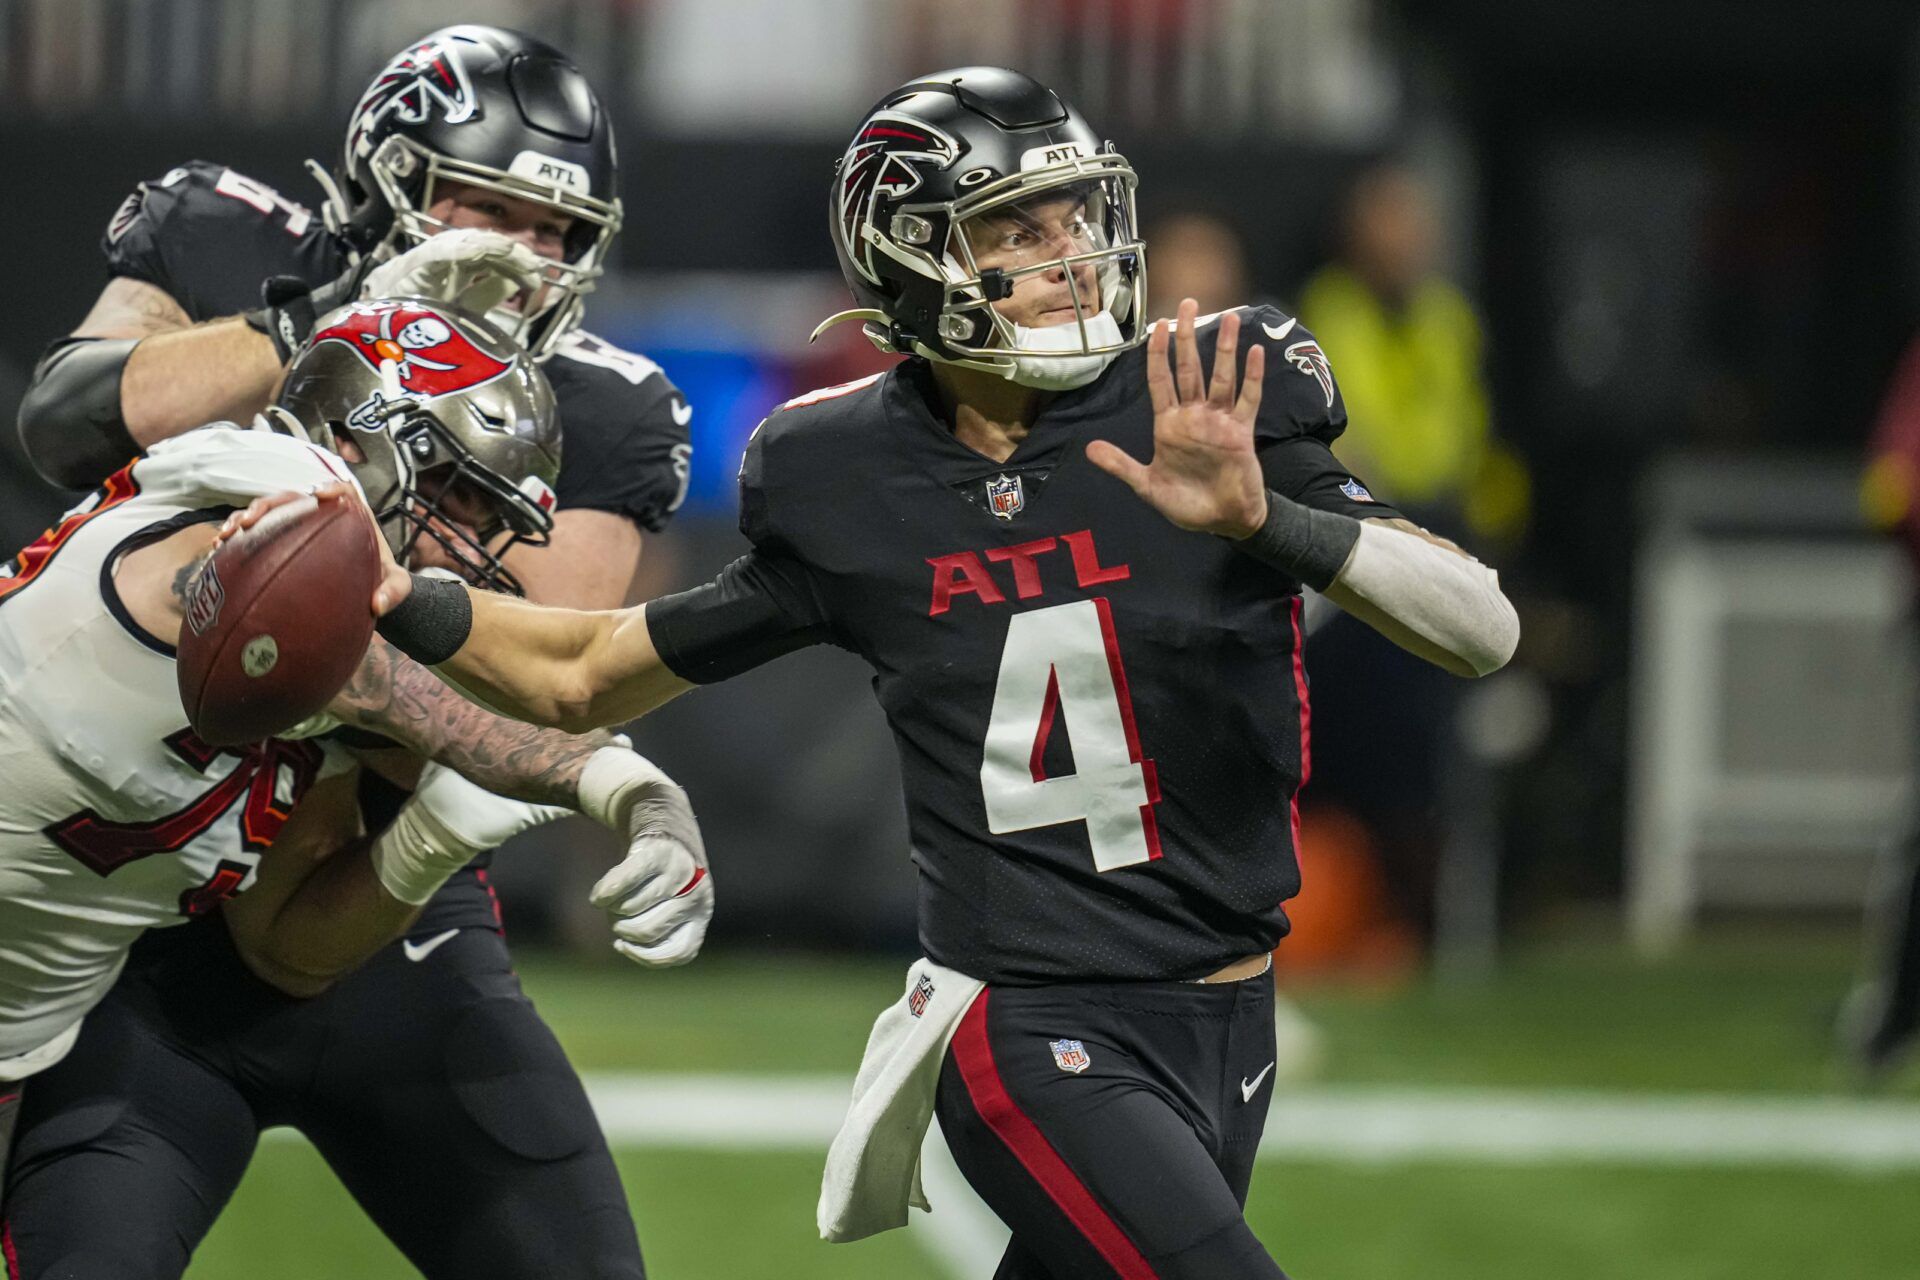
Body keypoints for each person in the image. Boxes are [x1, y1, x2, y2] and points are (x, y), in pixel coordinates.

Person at [304, 67, 1517, 1277]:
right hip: (1032, 1028)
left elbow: (1478, 627)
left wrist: (1267, 523)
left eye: (1077, 217)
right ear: (914, 256)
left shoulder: (1203, 394)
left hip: (1228, 1014)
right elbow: (585, 671)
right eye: (1018, 228)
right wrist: (399, 598)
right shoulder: (847, 474)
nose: (1069, 254)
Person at [10, 25, 689, 1276]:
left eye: (558, 233)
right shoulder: (232, 241)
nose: (523, 256)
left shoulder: (602, 404)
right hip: (133, 919)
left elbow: (501, 677)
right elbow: (62, 421)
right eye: (487, 208)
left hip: (370, 900)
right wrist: (342, 319)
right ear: (388, 182)